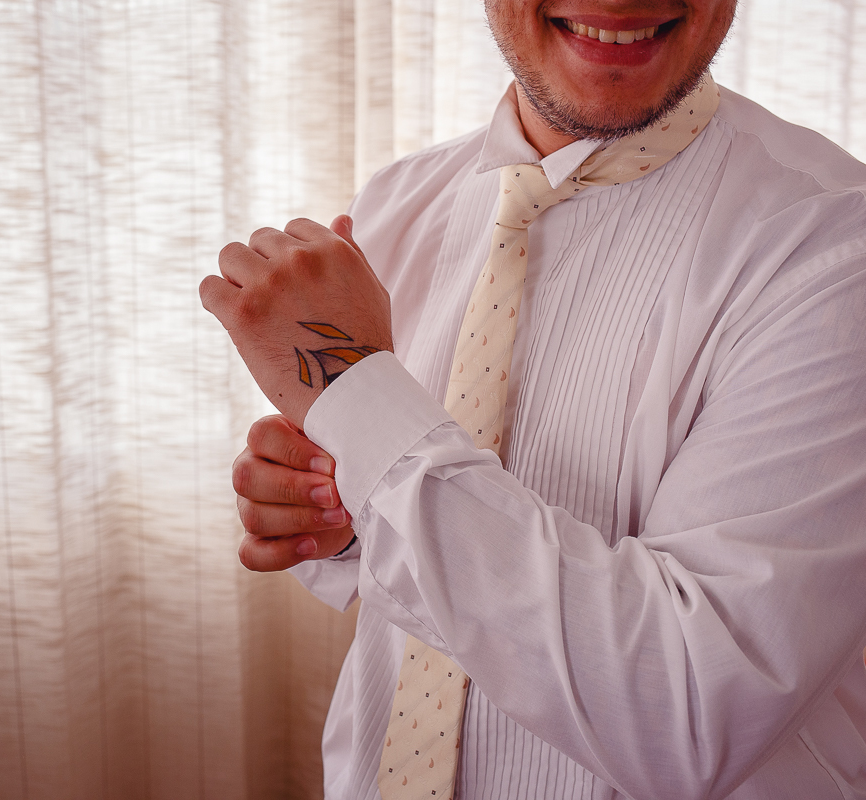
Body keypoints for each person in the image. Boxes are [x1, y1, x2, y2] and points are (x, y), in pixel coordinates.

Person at [199, 0, 866, 797]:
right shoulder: (397, 203)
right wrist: (335, 512)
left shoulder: (834, 250)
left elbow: (689, 709)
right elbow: (406, 532)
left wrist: (351, 388)